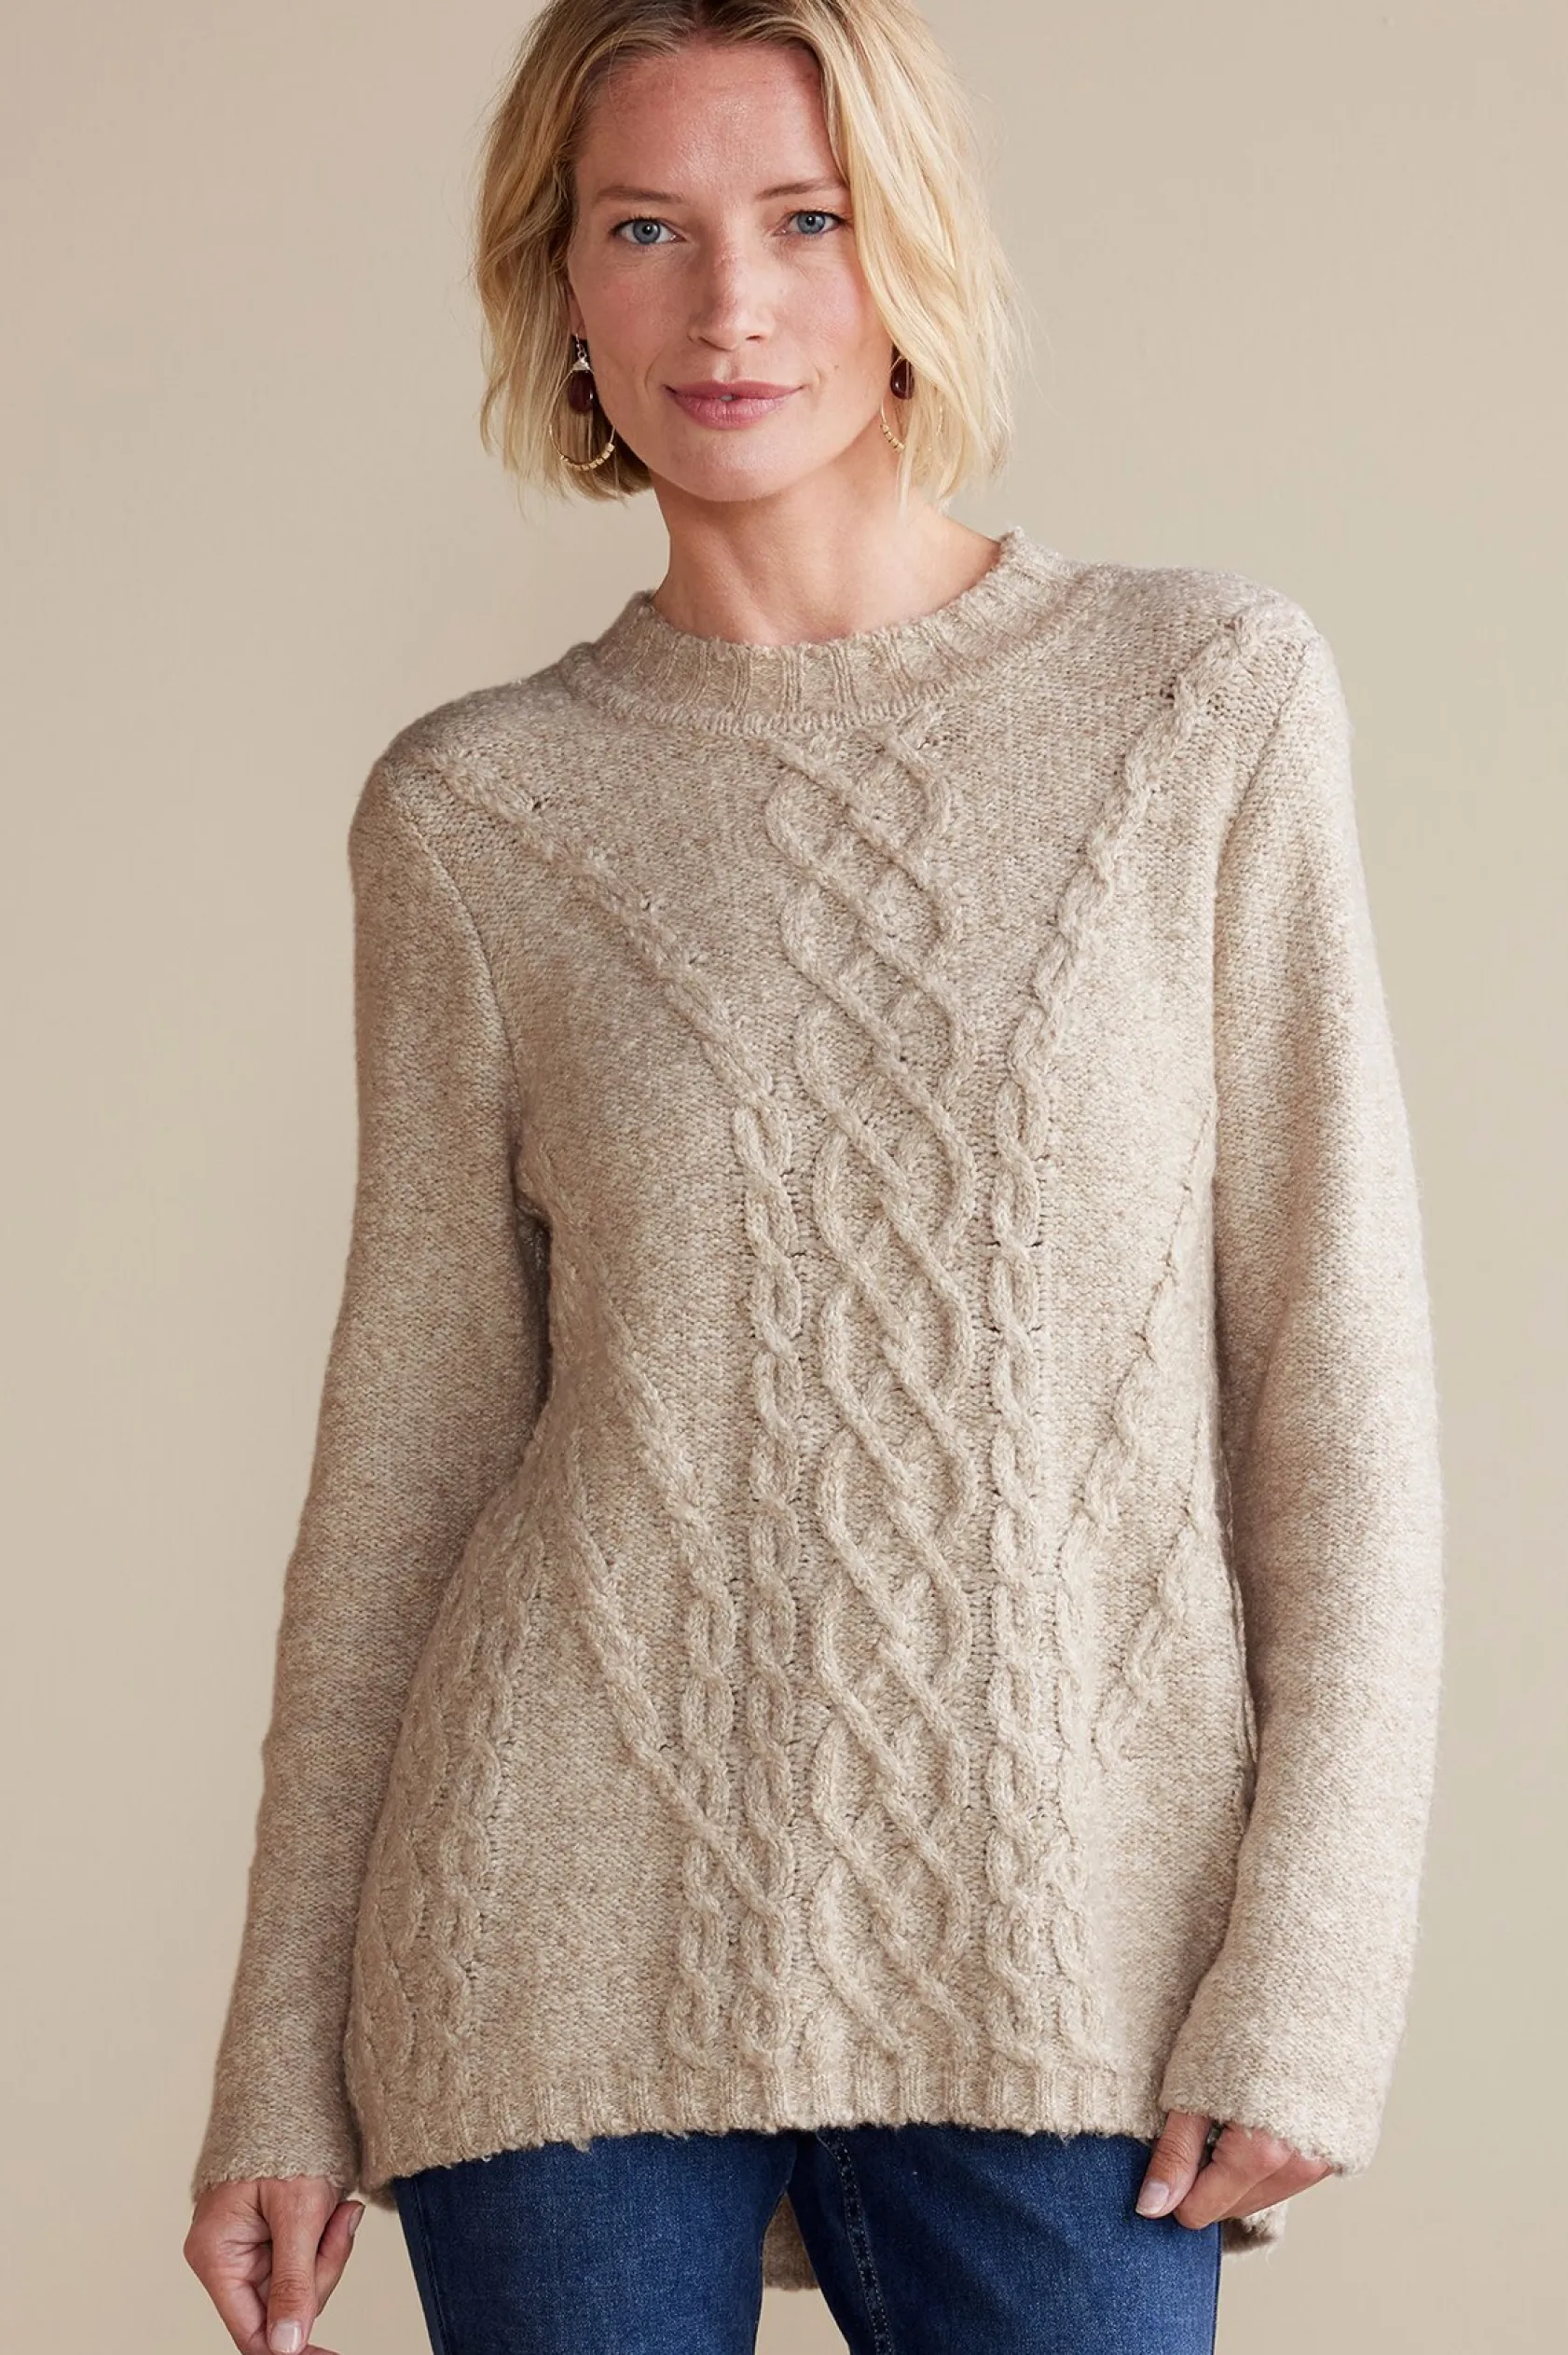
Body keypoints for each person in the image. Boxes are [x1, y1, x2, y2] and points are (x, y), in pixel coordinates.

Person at [182, 2, 1445, 2350]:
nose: (729, 307)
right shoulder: (473, 814)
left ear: (913, 257)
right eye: (644, 230)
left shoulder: (1201, 699)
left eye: (806, 220)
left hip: (1074, 1937)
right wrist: (277, 2052)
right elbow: (410, 1463)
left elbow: (1336, 1381)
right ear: (562, 289)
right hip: (554, 1940)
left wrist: (1315, 1963)